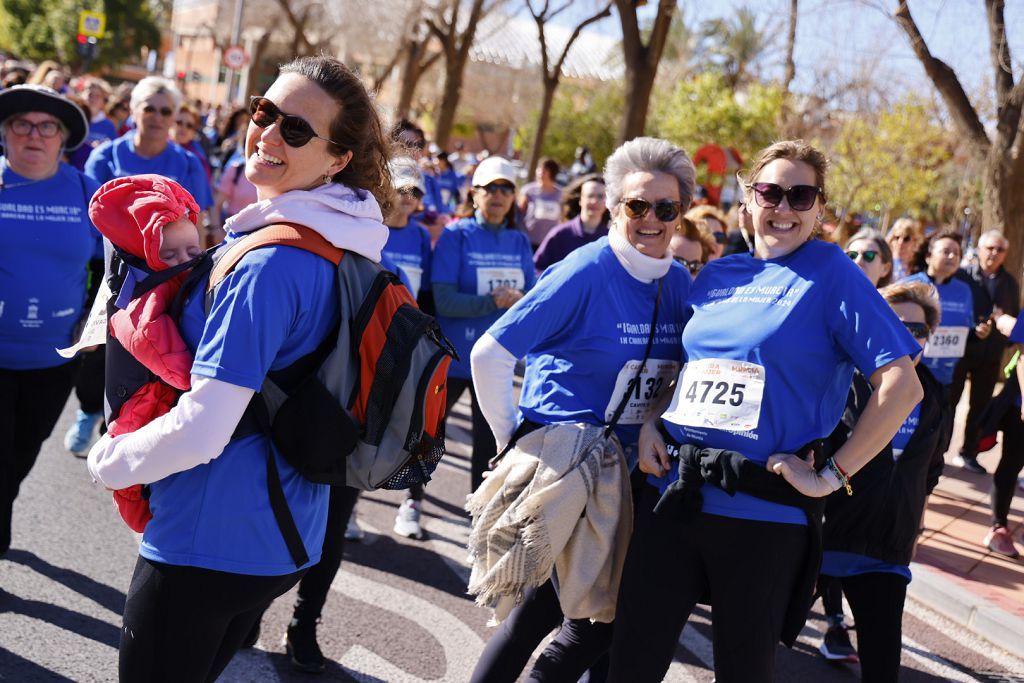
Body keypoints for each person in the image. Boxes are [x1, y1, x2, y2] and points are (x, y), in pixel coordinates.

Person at [86, 55, 393, 680]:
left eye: (297, 130)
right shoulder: (347, 242)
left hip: (210, 535)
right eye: (265, 113)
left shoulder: (270, 263)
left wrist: (110, 462)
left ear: (337, 160)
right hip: (288, 532)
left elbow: (205, 427)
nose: (269, 134)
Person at [607, 140, 923, 682]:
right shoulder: (716, 274)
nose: (783, 208)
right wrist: (654, 422)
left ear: (820, 211)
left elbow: (902, 384)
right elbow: (687, 368)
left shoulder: (830, 273)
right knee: (629, 665)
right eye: (771, 193)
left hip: (761, 518)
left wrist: (831, 476)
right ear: (747, 201)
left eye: (801, 196)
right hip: (674, 499)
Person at [467, 136, 695, 683]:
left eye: (666, 208)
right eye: (637, 205)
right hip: (570, 471)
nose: (651, 219)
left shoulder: (680, 282)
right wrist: (511, 442)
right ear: (615, 207)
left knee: (599, 621)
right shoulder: (585, 270)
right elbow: (490, 353)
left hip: (634, 481)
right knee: (548, 620)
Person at [817, 281, 950, 681]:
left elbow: (930, 470)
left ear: (931, 336)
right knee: (759, 648)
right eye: (895, 325)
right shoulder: (843, 382)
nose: (907, 338)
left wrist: (915, 525)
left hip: (886, 552)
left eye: (918, 330)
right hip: (823, 540)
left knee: (882, 667)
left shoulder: (937, 395)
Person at [0, 85, 100, 556]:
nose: (33, 134)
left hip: (55, 359)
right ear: (5, 133)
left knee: (20, 458)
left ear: (62, 139)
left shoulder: (85, 191)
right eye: (22, 123)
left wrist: (94, 319)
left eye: (47, 126)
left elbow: (110, 267)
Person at [86, 174, 204, 532]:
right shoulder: (137, 300)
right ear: (143, 255)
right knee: (135, 485)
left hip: (158, 399)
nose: (184, 261)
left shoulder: (178, 281)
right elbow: (161, 351)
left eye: (192, 252)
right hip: (142, 406)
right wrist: (199, 379)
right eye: (168, 255)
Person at [430, 156, 536, 495]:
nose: (498, 195)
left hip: (493, 362)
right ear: (474, 194)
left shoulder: (518, 241)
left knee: (490, 444)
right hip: (452, 357)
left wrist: (517, 298)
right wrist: (492, 302)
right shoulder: (455, 235)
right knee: (425, 436)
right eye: (491, 188)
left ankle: (479, 514)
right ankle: (413, 502)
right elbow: (443, 300)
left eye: (506, 189)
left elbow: (531, 298)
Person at [84, 77, 214, 219]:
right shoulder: (105, 156)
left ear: (173, 118)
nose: (157, 117)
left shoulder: (190, 164)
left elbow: (197, 225)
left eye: (166, 112)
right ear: (133, 111)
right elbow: (89, 216)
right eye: (149, 109)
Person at [950, 230, 1020, 474]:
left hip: (991, 356)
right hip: (960, 351)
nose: (994, 253)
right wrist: (973, 328)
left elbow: (1011, 318)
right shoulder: (961, 276)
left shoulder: (1010, 283)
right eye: (990, 248)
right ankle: (939, 452)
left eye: (1000, 250)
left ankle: (968, 453)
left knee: (979, 406)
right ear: (979, 249)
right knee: (950, 402)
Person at [903, 231, 991, 400]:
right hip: (912, 374)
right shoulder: (909, 286)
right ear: (928, 256)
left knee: (942, 425)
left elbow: (966, 330)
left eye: (957, 253)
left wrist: (979, 333)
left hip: (946, 379)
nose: (952, 256)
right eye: (946, 251)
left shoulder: (964, 290)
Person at [533, 173, 609, 272]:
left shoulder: (611, 240)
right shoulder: (559, 234)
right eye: (590, 195)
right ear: (580, 200)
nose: (594, 201)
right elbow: (536, 269)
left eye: (600, 196)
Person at [518, 157, 563, 249]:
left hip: (550, 242)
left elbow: (563, 217)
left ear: (552, 173)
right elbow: (519, 213)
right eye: (539, 170)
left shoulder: (561, 194)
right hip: (529, 240)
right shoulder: (528, 191)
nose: (540, 173)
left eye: (544, 171)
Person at [172, 103, 212, 181]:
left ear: (194, 131)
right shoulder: (157, 149)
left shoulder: (198, 161)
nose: (183, 128)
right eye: (179, 122)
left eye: (189, 125)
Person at [888, 217, 922, 282]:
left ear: (915, 241)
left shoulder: (919, 267)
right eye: (897, 237)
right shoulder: (884, 263)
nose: (900, 242)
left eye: (906, 238)